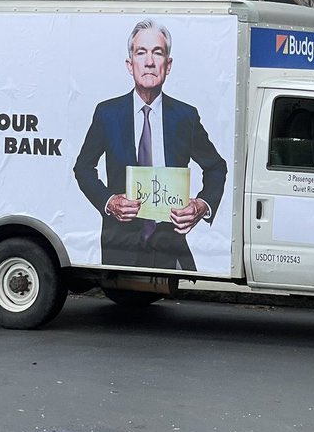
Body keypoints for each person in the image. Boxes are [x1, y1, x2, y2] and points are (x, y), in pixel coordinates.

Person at [74, 19, 227, 269]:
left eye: (158, 53)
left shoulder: (185, 117)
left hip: (172, 243)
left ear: (168, 65)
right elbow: (83, 168)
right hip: (120, 244)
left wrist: (202, 205)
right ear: (129, 64)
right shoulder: (107, 114)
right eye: (141, 53)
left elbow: (216, 167)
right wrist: (109, 202)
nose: (149, 62)